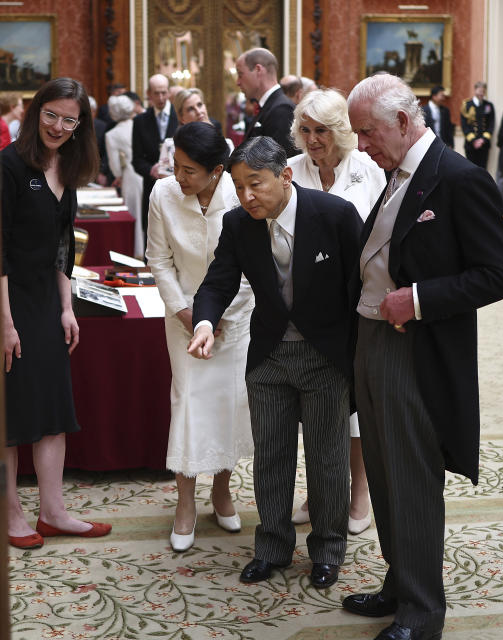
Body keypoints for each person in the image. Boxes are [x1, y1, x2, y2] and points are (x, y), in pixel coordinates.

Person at [344, 74, 503, 640]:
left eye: (367, 132)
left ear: (401, 120)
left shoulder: (459, 178)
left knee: (412, 479)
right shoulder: (396, 174)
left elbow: (498, 275)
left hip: (414, 348)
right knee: (387, 477)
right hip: (372, 340)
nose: (362, 145)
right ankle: (400, 581)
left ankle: (421, 615)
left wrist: (416, 300)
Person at [187, 136, 362, 590]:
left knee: (326, 460)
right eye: (239, 186)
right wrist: (205, 322)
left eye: (256, 184)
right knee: (272, 459)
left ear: (285, 176)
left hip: (324, 356)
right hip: (268, 356)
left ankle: (327, 548)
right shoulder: (239, 224)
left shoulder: (335, 216)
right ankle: (272, 548)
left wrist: (358, 357)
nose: (247, 196)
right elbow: (218, 281)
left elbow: (360, 286)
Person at [1, 78, 112, 550]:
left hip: (47, 299)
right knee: (10, 410)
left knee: (53, 406)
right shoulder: (7, 165)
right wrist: (3, 323)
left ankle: (54, 511)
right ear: (35, 110)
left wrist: (67, 307)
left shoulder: (67, 164)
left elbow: (64, 245)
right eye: (51, 115)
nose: (59, 126)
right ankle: (11, 515)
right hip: (6, 300)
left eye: (70, 119)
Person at [145, 122, 255, 552]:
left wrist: (220, 315)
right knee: (188, 400)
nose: (179, 177)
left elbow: (252, 263)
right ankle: (185, 502)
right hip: (183, 315)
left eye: (189, 170)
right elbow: (158, 258)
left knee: (231, 401)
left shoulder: (240, 195)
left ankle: (222, 491)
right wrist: (186, 311)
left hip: (237, 315)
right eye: (176, 165)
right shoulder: (163, 194)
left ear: (216, 171)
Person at [286, 88, 386, 535]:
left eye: (321, 130)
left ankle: (359, 494)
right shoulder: (290, 171)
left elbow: (385, 236)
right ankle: (320, 490)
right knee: (315, 404)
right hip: (305, 307)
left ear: (340, 131)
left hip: (358, 305)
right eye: (305, 130)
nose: (312, 139)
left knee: (356, 407)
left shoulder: (368, 170)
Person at [132, 74, 180, 238]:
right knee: (152, 238)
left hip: (178, 190)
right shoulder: (140, 121)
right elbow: (136, 160)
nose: (160, 98)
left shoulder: (180, 116)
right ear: (148, 94)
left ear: (168, 93)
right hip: (152, 189)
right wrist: (150, 170)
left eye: (164, 93)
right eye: (156, 93)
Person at [235, 48, 299, 157]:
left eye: (241, 74)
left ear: (258, 70)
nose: (238, 82)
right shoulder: (269, 106)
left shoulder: (282, 109)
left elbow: (279, 162)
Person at [105, 95, 145, 256]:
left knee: (135, 217)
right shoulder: (140, 125)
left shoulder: (112, 135)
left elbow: (115, 166)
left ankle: (136, 253)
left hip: (130, 176)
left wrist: (118, 175)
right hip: (146, 174)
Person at [460, 81, 496, 169]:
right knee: (470, 170)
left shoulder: (489, 105)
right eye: (479, 91)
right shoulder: (467, 105)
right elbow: (464, 125)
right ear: (475, 90)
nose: (481, 93)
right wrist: (474, 140)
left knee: (483, 170)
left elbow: (491, 124)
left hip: (484, 144)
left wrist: (483, 140)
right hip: (471, 144)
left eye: (483, 91)